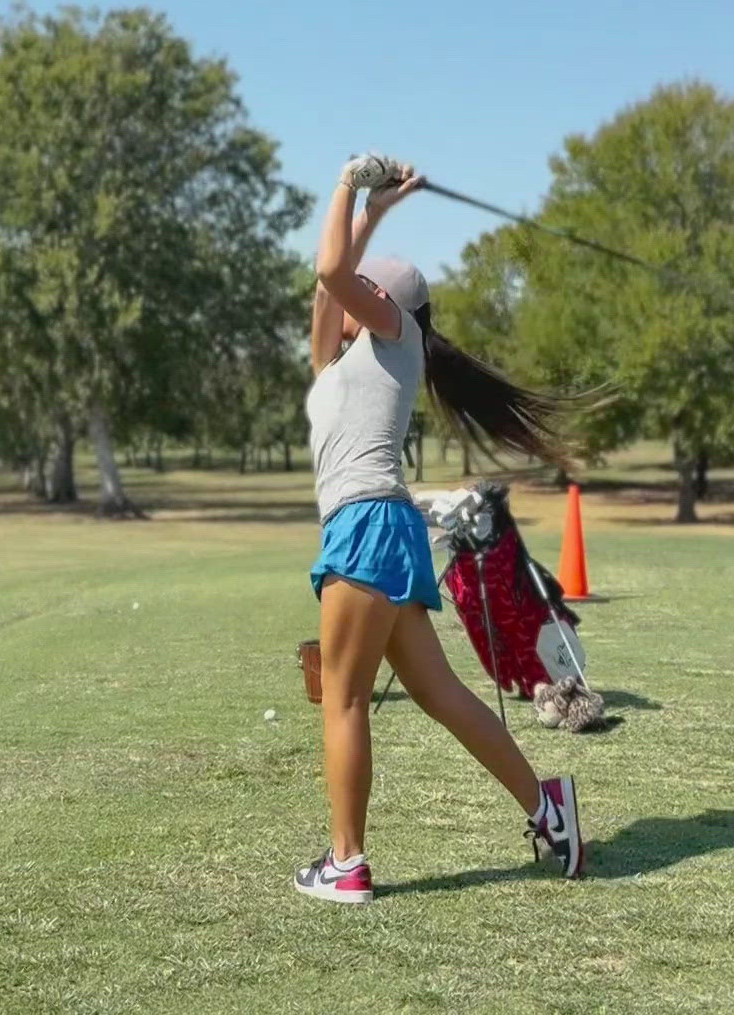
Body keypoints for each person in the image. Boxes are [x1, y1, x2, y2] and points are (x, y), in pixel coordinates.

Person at [294, 152, 585, 905]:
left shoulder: (395, 341)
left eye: (368, 284)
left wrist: (344, 183)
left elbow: (333, 274)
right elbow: (326, 286)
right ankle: (547, 806)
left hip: (366, 526)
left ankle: (347, 863)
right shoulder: (338, 362)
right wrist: (379, 209)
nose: (353, 288)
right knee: (442, 694)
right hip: (377, 530)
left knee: (344, 700)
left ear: (384, 301)